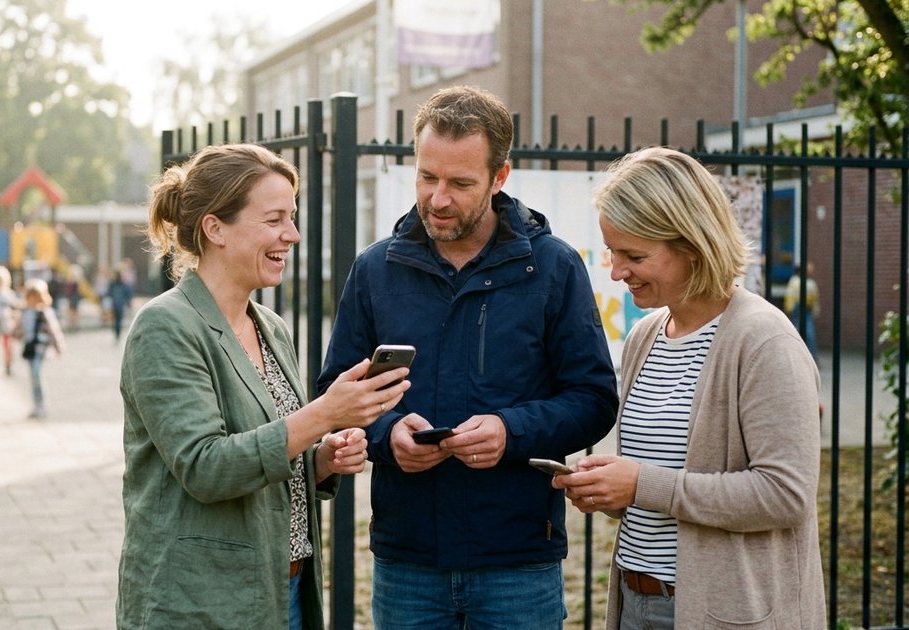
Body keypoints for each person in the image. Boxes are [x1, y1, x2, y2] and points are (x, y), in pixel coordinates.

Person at [315, 86, 618, 629]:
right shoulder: (375, 269)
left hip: (517, 562)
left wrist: (510, 430)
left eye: (460, 183)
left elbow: (594, 400)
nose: (438, 199)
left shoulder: (554, 268)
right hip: (407, 560)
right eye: (427, 177)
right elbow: (335, 393)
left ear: (500, 177)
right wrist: (388, 437)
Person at [116, 143, 410, 630]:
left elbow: (266, 457)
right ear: (216, 229)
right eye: (274, 219)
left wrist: (320, 461)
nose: (291, 235)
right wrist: (324, 414)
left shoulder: (270, 326)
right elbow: (205, 467)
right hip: (202, 600)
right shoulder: (165, 327)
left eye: (292, 218)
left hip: (283, 589)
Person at [552, 147, 825, 628]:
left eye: (634, 255)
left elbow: (785, 494)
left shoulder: (764, 340)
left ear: (693, 246)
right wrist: (614, 493)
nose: (615, 272)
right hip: (637, 602)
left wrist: (641, 483)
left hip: (725, 612)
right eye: (613, 252)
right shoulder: (645, 336)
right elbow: (663, 488)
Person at [18, 278, 65, 419]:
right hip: (30, 348)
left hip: (41, 347)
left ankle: (41, 405)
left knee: (36, 374)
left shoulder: (44, 312)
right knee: (33, 376)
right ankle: (37, 405)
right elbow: (19, 328)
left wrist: (58, 345)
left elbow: (54, 330)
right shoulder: (25, 312)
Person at [784, 261, 820, 362]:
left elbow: (815, 298)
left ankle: (811, 357)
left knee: (808, 333)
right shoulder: (796, 281)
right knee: (800, 331)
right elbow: (790, 294)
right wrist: (789, 306)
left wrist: (815, 309)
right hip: (798, 308)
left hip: (805, 308)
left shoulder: (808, 282)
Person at [105, 267, 132, 341]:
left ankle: (116, 333)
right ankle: (118, 333)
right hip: (120, 304)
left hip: (115, 304)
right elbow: (128, 294)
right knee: (119, 320)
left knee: (115, 320)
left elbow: (108, 293)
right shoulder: (123, 284)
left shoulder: (112, 284)